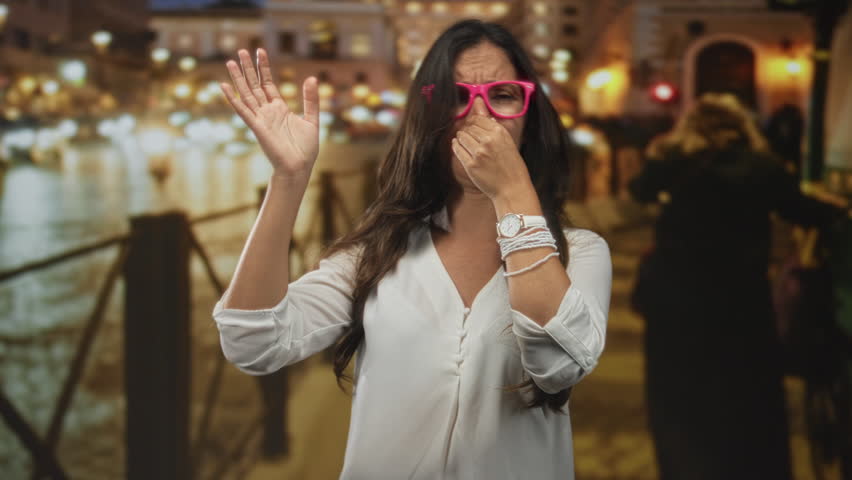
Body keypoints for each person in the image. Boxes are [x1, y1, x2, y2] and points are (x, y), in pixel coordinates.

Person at [212, 20, 611, 479]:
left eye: (502, 95)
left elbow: (559, 366)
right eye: (455, 96)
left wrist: (513, 192)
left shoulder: (580, 253)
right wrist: (288, 178)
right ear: (428, 116)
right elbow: (253, 342)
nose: (478, 116)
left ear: (529, 114)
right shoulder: (379, 250)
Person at [629, 93, 849, 480]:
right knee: (747, 395)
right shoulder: (760, 166)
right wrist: (838, 209)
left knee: (677, 395)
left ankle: (684, 467)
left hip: (674, 300)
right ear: (742, 127)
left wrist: (662, 155)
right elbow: (801, 210)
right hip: (739, 300)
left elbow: (639, 190)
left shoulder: (672, 161)